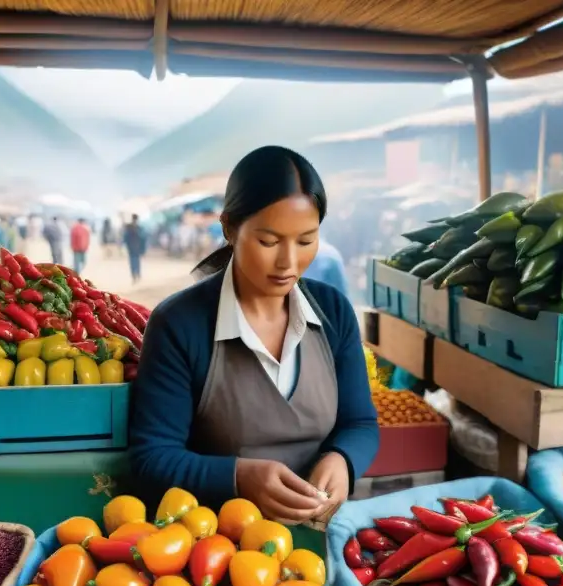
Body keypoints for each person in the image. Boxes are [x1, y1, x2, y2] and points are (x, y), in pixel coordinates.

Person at [129, 146, 379, 532]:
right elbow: (152, 457)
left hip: (321, 531)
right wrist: (237, 477)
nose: (288, 262)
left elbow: (360, 423)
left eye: (306, 240)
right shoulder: (179, 324)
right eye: (268, 242)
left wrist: (342, 460)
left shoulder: (333, 311)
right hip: (213, 545)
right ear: (229, 227)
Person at [123, 214, 146, 282]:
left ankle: (135, 275)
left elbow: (125, 238)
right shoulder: (138, 228)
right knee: (136, 261)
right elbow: (143, 238)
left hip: (132, 247)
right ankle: (136, 275)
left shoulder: (130, 227)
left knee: (133, 262)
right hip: (136, 247)